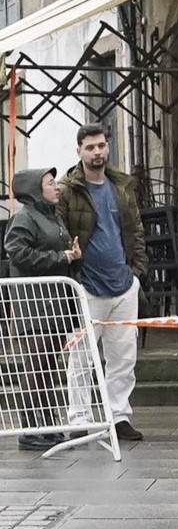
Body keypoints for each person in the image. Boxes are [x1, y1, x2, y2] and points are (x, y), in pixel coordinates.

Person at [59, 124, 147, 442]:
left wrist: (137, 271)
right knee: (82, 356)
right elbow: (60, 231)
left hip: (124, 284)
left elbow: (135, 229)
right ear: (79, 151)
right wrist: (73, 271)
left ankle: (118, 415)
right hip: (87, 285)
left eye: (101, 146)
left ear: (108, 147)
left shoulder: (120, 186)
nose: (97, 152)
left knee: (123, 356)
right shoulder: (68, 190)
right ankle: (79, 418)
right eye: (90, 147)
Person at [4, 168, 81, 450]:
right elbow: (18, 251)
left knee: (48, 367)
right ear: (36, 190)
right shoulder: (24, 217)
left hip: (55, 304)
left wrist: (71, 255)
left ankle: (47, 424)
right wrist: (59, 256)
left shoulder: (53, 216)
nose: (56, 187)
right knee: (35, 367)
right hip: (34, 305)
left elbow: (58, 251)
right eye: (50, 184)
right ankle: (29, 428)